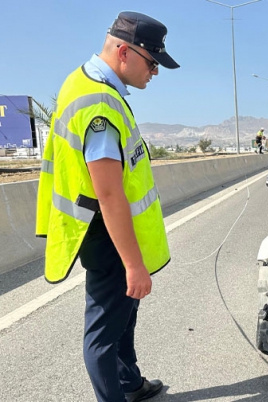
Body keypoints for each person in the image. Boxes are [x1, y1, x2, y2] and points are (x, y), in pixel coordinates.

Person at [35, 11, 179, 402]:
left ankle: (130, 383)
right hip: (105, 233)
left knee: (123, 316)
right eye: (152, 63)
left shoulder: (82, 81)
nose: (155, 72)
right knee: (102, 332)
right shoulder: (99, 104)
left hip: (103, 229)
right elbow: (109, 193)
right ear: (123, 51)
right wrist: (134, 265)